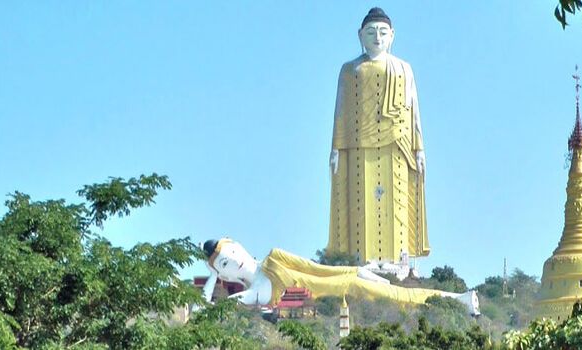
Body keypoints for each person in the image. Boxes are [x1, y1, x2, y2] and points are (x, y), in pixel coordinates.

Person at [327, 7, 429, 266]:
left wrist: (420, 149)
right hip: (358, 145)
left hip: (397, 144)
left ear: (392, 35)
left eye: (383, 32)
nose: (377, 37)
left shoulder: (404, 69)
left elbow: (414, 109)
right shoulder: (350, 70)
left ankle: (398, 262)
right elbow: (340, 109)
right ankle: (359, 260)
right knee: (360, 205)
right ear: (360, 35)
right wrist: (336, 146)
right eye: (371, 32)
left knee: (395, 203)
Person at [199, 238, 480, 316]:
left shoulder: (275, 256)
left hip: (347, 282)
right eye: (225, 263)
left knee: (401, 295)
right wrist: (212, 277)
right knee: (400, 298)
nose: (235, 259)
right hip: (343, 298)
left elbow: (316, 269)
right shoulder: (254, 291)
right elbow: (215, 306)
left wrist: (355, 270)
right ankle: (458, 300)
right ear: (223, 272)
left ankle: (459, 299)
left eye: (233, 250)